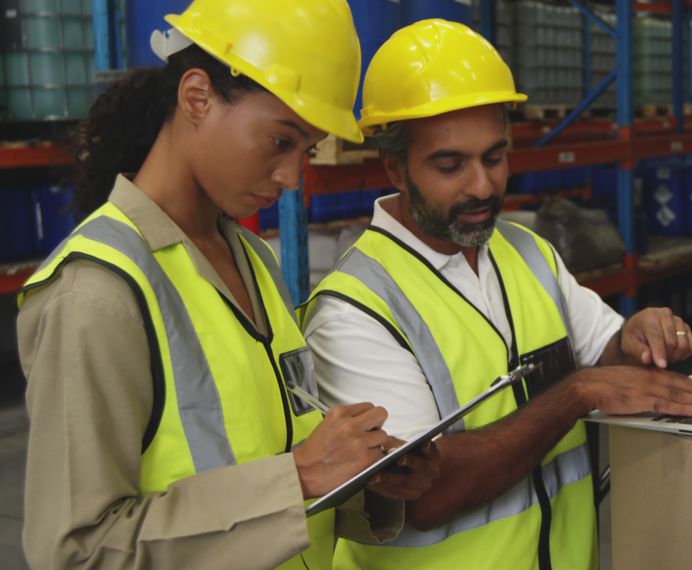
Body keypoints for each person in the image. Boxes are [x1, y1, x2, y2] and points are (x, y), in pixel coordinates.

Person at [16, 1, 439, 568]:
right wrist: (297, 477)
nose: (293, 177)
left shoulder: (251, 260)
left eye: (307, 150)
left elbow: (267, 451)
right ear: (197, 97)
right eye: (279, 142)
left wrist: (365, 477)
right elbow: (76, 552)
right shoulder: (98, 295)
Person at [301, 19, 692, 570]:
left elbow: (606, 355)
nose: (481, 186)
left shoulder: (527, 252)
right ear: (395, 167)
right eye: (450, 165)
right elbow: (427, 495)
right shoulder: (355, 311)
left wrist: (638, 338)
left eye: (494, 157)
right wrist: (579, 393)